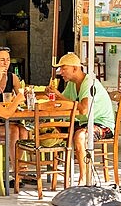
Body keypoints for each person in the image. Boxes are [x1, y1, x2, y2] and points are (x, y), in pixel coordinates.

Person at [46, 52, 115, 185]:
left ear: (75, 68)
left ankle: (84, 177)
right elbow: (65, 104)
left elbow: (83, 109)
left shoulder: (89, 83)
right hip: (83, 122)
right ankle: (52, 173)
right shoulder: (71, 84)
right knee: (51, 129)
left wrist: (59, 96)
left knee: (80, 136)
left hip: (102, 124)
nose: (61, 72)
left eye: (64, 68)